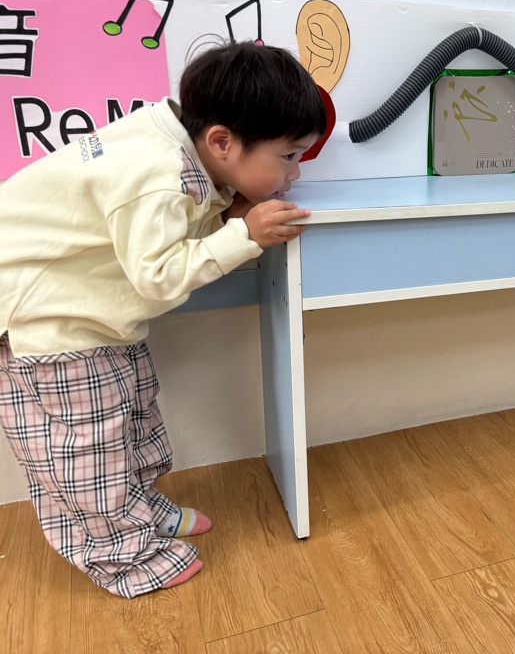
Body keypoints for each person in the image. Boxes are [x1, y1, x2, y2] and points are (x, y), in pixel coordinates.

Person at [0, 41, 326, 597]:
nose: (294, 174)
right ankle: (121, 557)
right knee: (89, 451)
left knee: (133, 418)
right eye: (289, 156)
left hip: (93, 318)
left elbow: (166, 229)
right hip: (49, 327)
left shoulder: (176, 151)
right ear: (221, 142)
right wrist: (242, 235)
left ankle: (140, 510)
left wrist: (225, 214)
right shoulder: (155, 173)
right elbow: (157, 275)